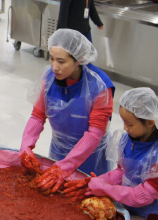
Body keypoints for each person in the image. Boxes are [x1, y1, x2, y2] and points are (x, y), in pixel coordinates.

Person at [19, 29, 115, 193]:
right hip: (59, 149)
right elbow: (38, 115)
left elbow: (95, 133)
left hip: (90, 156)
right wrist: (26, 146)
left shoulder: (99, 86)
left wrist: (66, 166)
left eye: (61, 61)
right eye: (51, 59)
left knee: (84, 199)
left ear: (79, 60)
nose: (55, 67)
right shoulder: (49, 78)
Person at [64, 88, 158, 218]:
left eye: (130, 124)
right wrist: (99, 181)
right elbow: (122, 172)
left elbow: (144, 196)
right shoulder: (127, 139)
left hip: (152, 215)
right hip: (127, 204)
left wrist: (106, 189)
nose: (125, 128)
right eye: (123, 122)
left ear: (150, 122)